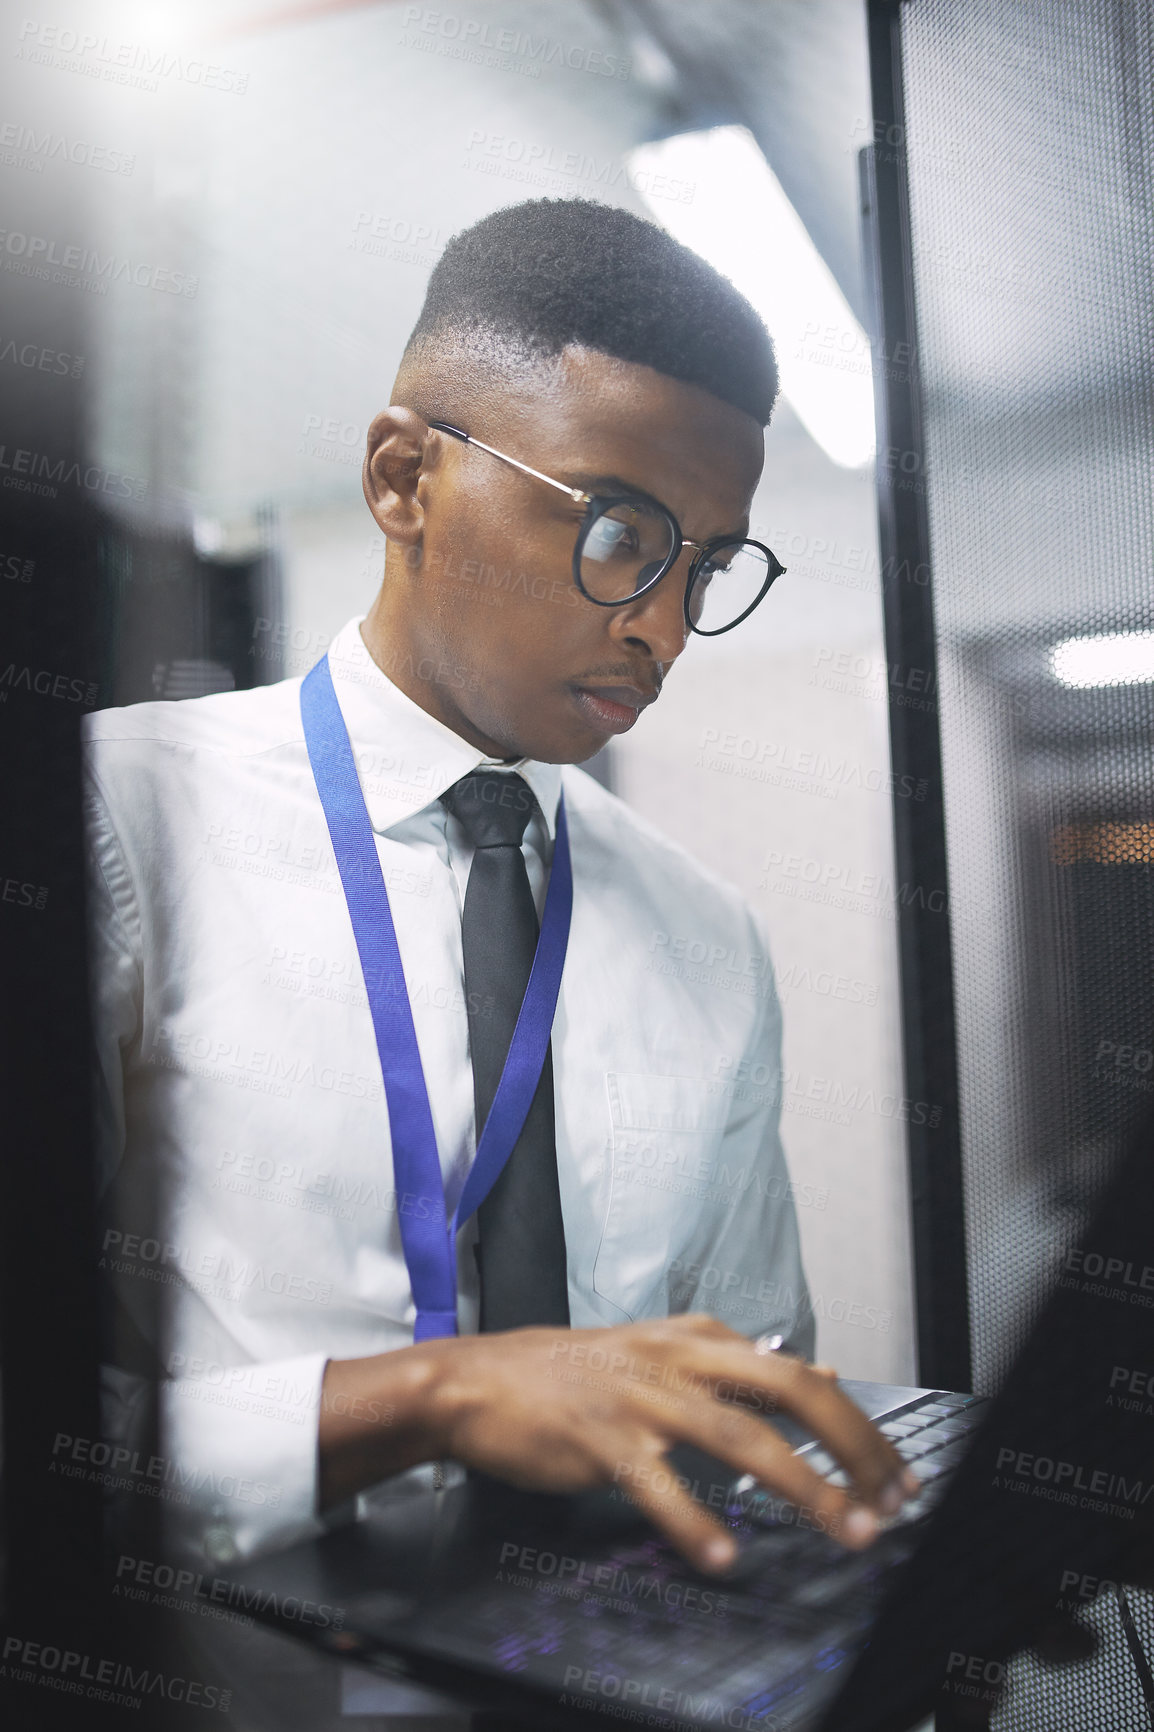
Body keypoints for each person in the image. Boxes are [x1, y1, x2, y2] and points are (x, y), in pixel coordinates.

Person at [84, 197, 912, 1695]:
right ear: (406, 477)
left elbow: (743, 1390)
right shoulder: (115, 823)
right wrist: (428, 1397)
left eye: (709, 567)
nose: (662, 624)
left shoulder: (705, 937)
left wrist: (886, 1581)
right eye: (618, 534)